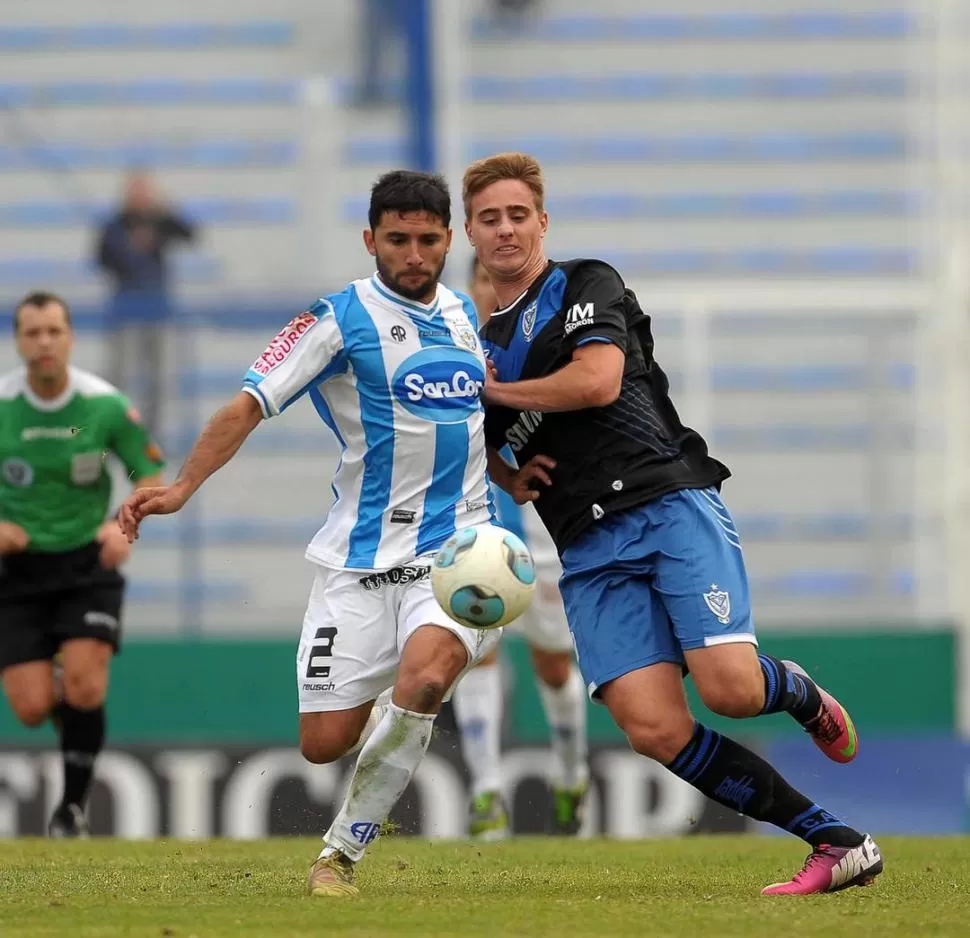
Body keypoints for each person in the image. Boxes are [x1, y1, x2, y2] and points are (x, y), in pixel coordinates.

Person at [464, 152, 883, 896]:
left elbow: (598, 381)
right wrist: (505, 471)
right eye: (489, 218)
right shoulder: (469, 348)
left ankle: (795, 691)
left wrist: (498, 392)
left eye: (517, 215)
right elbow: (471, 437)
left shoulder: (584, 283)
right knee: (652, 730)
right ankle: (836, 842)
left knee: (728, 692)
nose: (504, 230)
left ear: (542, 221)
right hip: (587, 550)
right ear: (470, 230)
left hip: (664, 502)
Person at [118, 171, 501, 898]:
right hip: (355, 567)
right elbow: (246, 406)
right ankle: (398, 709)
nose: (415, 254)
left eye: (428, 239)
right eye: (398, 240)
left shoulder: (467, 316)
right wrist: (179, 488)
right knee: (323, 746)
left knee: (426, 674)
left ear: (449, 240)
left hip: (454, 556)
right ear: (371, 240)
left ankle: (338, 857)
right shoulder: (336, 318)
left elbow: (491, 423)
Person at [0, 291, 165, 837]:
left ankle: (70, 810)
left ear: (69, 337)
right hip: (17, 571)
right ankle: (59, 679)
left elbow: (149, 473)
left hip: (87, 563)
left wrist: (122, 526)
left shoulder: (105, 407)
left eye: (54, 331)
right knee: (30, 708)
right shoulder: (2, 406)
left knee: (87, 688)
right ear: (20, 340)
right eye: (33, 333)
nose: (44, 342)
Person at [451, 257, 588, 840]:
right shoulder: (450, 351)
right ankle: (486, 793)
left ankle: (571, 771)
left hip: (536, 527)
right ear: (471, 285)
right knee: (475, 652)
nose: (488, 288)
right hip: (467, 527)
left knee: (552, 662)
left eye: (494, 279)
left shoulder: (533, 348)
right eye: (479, 278)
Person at [95, 171, 196, 436]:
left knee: (155, 378)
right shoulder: (115, 225)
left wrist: (167, 210)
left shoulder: (160, 221)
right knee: (118, 373)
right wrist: (127, 249)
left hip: (156, 310)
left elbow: (189, 234)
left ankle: (151, 432)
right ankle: (114, 428)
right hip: (124, 310)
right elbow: (101, 259)